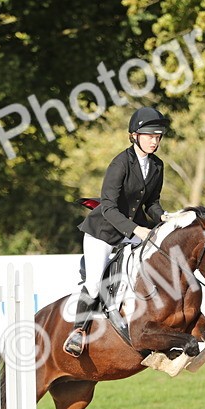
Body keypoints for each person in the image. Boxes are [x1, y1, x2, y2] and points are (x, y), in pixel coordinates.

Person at [63, 106, 170, 357]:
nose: (154, 140)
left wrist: (163, 216)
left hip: (132, 229)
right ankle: (77, 332)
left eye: (158, 136)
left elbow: (151, 203)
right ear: (134, 135)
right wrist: (136, 230)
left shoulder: (157, 166)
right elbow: (108, 206)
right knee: (93, 282)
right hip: (103, 231)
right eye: (149, 135)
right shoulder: (120, 163)